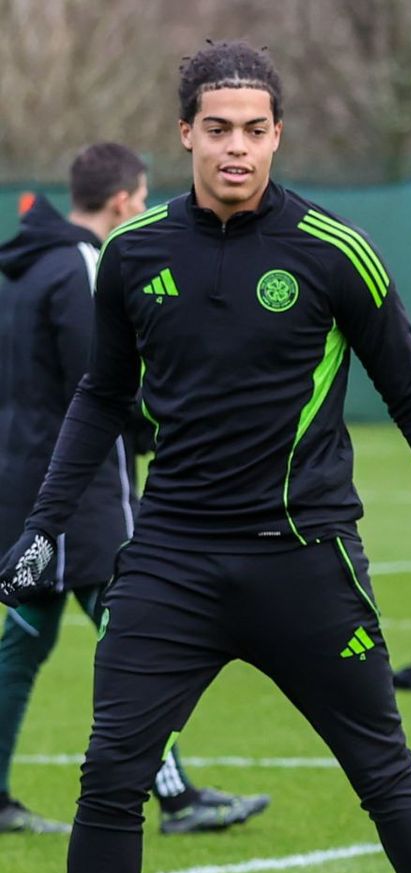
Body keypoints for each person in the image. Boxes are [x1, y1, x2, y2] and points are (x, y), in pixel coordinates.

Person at [0, 41, 411, 873]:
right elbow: (101, 395)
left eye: (254, 129)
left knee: (384, 775)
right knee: (110, 775)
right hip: (170, 563)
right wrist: (42, 525)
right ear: (185, 135)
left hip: (305, 562)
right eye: (217, 129)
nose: (235, 147)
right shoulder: (136, 254)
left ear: (278, 135)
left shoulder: (335, 251)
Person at [0, 145, 268, 835]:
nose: (146, 210)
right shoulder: (83, 265)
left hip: (28, 486)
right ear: (121, 201)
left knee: (24, 644)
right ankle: (176, 798)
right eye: (143, 198)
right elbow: (105, 384)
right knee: (139, 638)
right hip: (84, 498)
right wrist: (166, 428)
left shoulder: (24, 268)